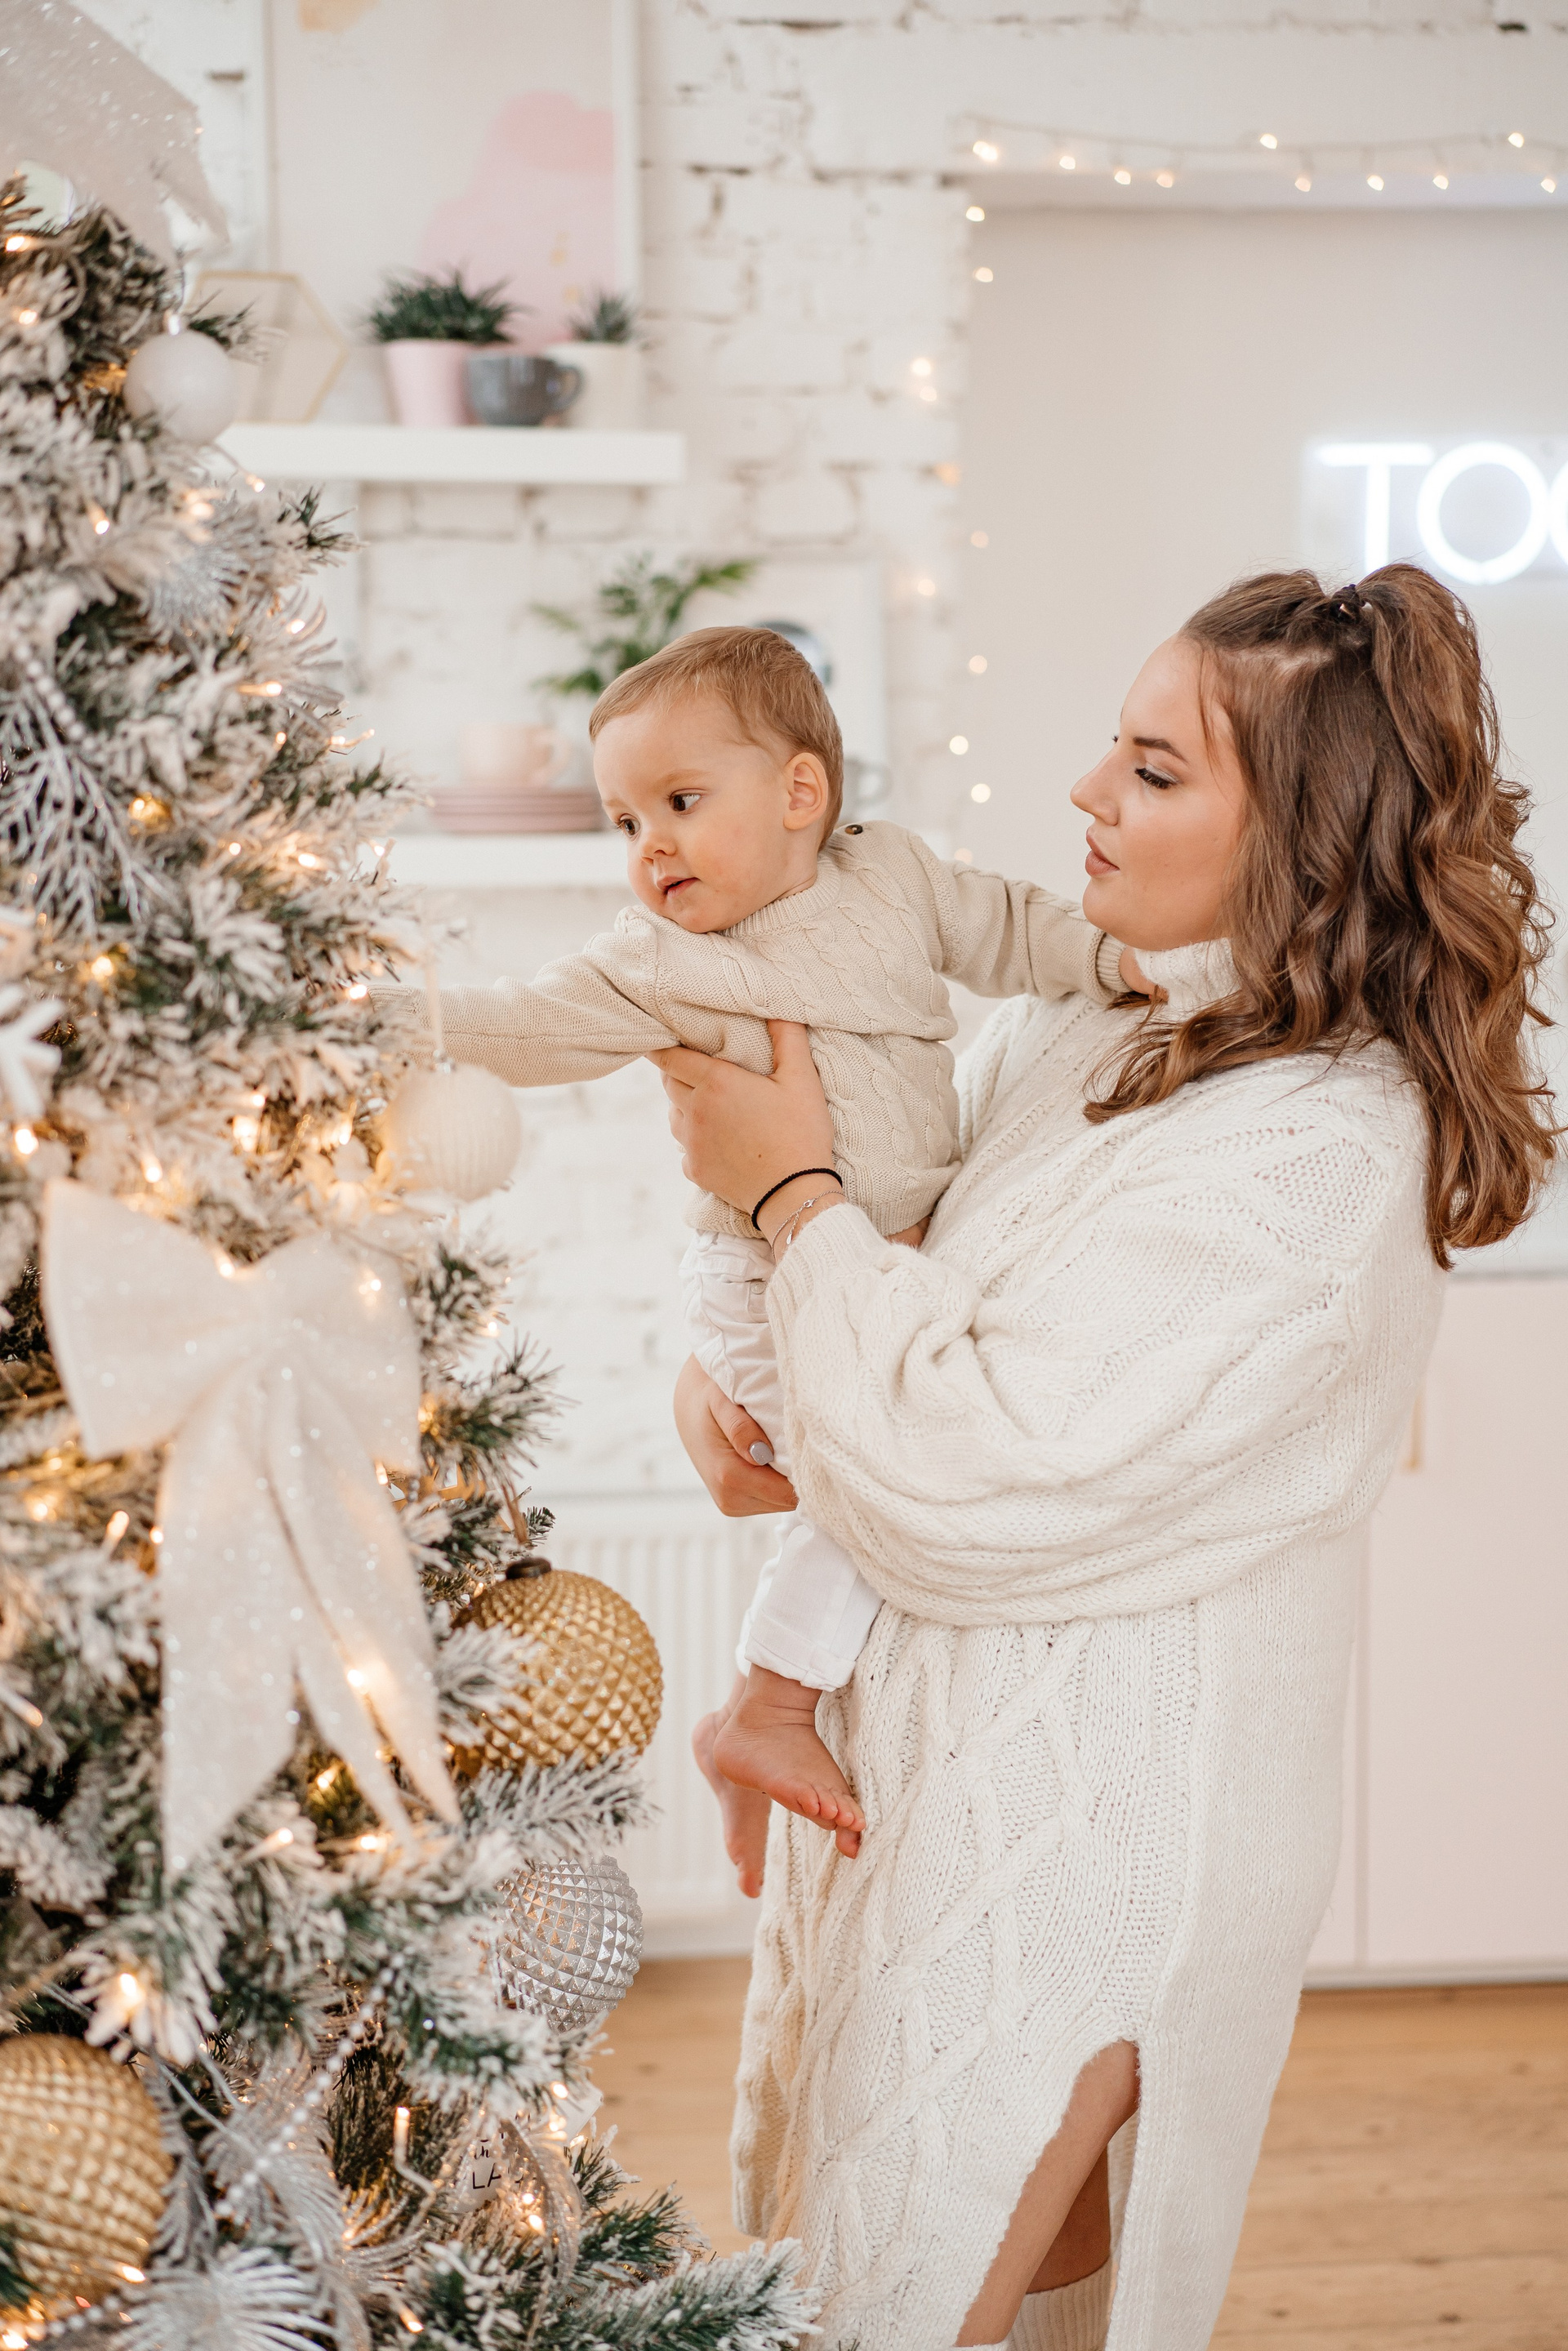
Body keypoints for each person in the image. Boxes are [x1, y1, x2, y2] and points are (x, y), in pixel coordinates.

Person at [654, 568, 1557, 2351]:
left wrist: (788, 1197)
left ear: (1303, 837)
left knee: (897, 2305)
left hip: (1086, 1849)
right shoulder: (1092, 1024)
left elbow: (961, 1470)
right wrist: (730, 1367)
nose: (1088, 793)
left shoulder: (1317, 1151)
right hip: (927, 1798)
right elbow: (898, 1288)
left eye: (1154, 771)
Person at [409, 626, 1125, 1886]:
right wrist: (386, 1019)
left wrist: (1118, 962)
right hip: (759, 1278)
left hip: (882, 1267)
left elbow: (1014, 930)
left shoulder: (894, 877)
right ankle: (769, 1709)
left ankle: (752, 1722)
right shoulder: (662, 963)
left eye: (680, 803)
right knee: (873, 1480)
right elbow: (525, 1022)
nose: (651, 846)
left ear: (801, 792)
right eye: (626, 822)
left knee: (887, 1475)